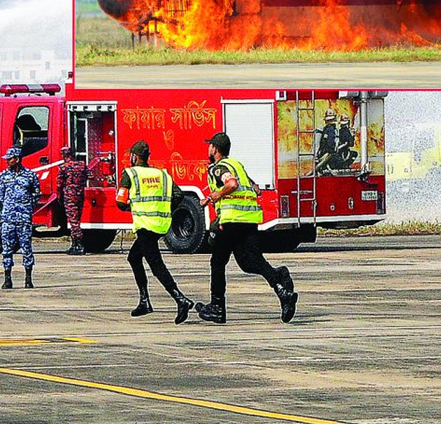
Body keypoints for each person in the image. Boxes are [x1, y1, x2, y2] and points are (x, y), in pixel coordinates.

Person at [196, 132, 298, 324]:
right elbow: (256, 189)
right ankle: (281, 284)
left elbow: (232, 184)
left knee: (217, 262)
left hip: (232, 221)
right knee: (250, 262)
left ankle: (217, 307)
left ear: (215, 149)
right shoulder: (237, 165)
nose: (208, 148)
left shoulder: (219, 168)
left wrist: (215, 196)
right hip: (249, 220)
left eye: (210, 145)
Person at [115, 140, 195, 325]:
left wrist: (133, 207)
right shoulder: (162, 174)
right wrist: (164, 208)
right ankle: (144, 301)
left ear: (134, 156)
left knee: (156, 264)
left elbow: (120, 202)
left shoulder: (130, 174)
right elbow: (178, 195)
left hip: (145, 225)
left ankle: (180, 299)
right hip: (160, 224)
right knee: (134, 257)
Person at [0, 146, 40, 289]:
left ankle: (28, 279)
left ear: (17, 159)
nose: (7, 161)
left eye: (9, 159)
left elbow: (36, 194)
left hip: (24, 219)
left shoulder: (30, 175)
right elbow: (1, 195)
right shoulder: (4, 176)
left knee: (26, 248)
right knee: (6, 249)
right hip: (8, 219)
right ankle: (7, 279)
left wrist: (26, 207)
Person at [57, 146, 89, 255]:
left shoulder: (63, 167)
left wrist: (59, 196)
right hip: (80, 194)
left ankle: (79, 244)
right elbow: (90, 176)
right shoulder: (82, 165)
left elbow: (59, 184)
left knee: (73, 221)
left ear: (64, 155)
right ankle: (74, 244)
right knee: (77, 219)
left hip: (69, 196)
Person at [315, 109, 338, 175]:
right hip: (327, 153)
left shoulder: (328, 129)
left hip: (325, 153)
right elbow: (330, 143)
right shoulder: (330, 129)